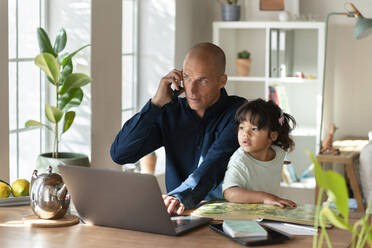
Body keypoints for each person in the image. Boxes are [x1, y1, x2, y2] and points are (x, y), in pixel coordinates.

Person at [110, 42, 245, 215]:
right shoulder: (171, 111)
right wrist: (155, 104)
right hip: (177, 217)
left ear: (222, 81)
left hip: (224, 219)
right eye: (187, 77)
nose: (192, 90)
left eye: (203, 80)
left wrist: (177, 198)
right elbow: (121, 154)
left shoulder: (239, 113)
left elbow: (213, 165)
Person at [222, 99, 297, 208]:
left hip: (265, 214)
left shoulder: (278, 153)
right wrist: (265, 197)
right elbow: (229, 193)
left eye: (254, 128)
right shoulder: (240, 160)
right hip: (241, 217)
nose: (245, 133)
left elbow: (266, 164)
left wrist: (277, 162)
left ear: (273, 135)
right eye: (242, 127)